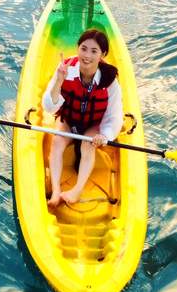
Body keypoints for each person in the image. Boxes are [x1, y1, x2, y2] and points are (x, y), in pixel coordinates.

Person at [41, 28, 123, 207]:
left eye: (94, 51)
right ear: (77, 48)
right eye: (83, 48)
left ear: (103, 54)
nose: (87, 55)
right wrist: (59, 81)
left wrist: (106, 136)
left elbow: (115, 116)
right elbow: (48, 106)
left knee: (88, 144)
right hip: (68, 119)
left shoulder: (110, 80)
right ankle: (55, 191)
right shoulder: (65, 69)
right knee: (57, 142)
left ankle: (77, 191)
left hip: (93, 124)